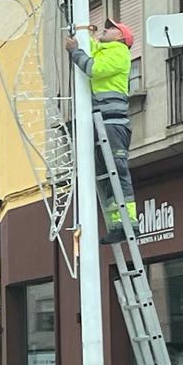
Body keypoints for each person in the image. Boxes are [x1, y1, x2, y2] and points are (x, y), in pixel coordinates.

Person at [65, 19, 137, 244]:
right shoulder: (107, 49)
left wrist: (76, 52)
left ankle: (129, 223)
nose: (106, 29)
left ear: (120, 37)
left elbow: (94, 69)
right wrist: (83, 35)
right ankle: (117, 224)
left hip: (113, 122)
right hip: (100, 122)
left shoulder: (119, 53)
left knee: (117, 170)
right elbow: (92, 52)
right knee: (106, 175)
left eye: (112, 28)